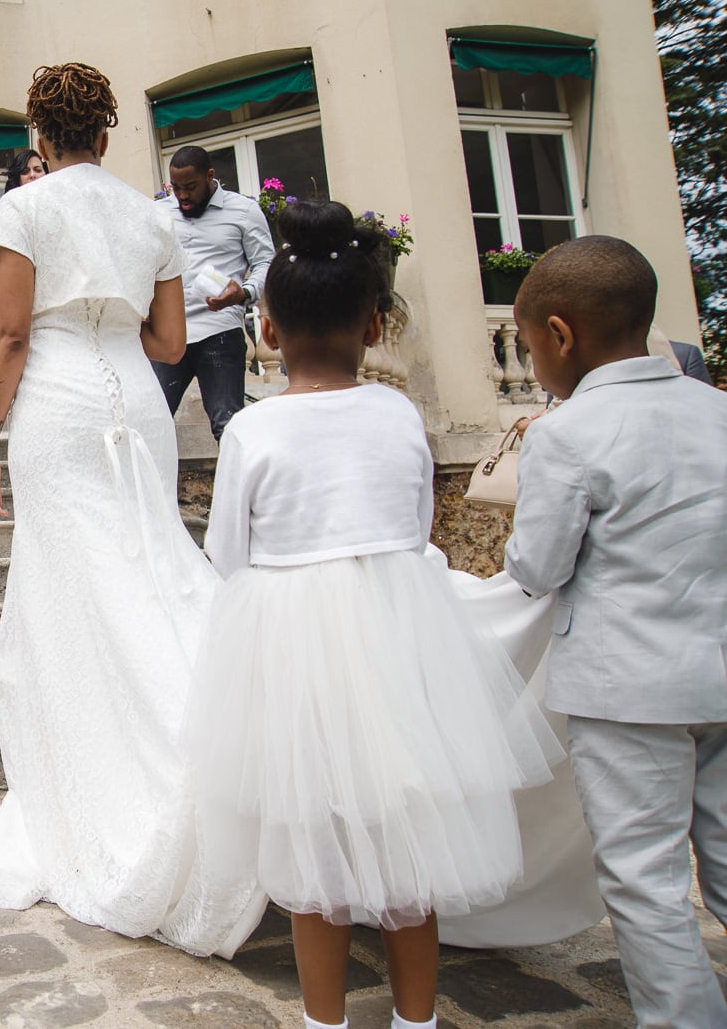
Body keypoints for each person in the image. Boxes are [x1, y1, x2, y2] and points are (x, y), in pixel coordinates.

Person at [191, 199, 561, 1029]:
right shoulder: (399, 415)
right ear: (373, 324)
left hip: (291, 643)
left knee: (310, 841)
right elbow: (412, 527)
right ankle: (417, 1020)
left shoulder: (253, 429)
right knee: (409, 836)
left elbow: (227, 555)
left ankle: (325, 1021)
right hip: (400, 635)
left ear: (267, 331)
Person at [0, 62, 268, 959]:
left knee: (75, 590)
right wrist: (109, 321)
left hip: (57, 404)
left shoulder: (26, 207)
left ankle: (141, 780)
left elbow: (12, 334)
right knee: (150, 563)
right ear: (106, 132)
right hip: (137, 402)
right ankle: (232, 739)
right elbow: (172, 341)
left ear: (38, 134)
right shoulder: (150, 214)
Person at [505, 236, 727, 1029]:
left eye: (530, 347)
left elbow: (539, 564)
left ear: (560, 335)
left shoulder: (568, 433)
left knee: (645, 878)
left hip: (629, 687)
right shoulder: (718, 408)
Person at [153, 145, 274, 440]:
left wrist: (244, 292)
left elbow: (266, 263)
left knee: (227, 425)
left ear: (210, 176)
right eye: (176, 187)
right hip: (169, 334)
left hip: (219, 331)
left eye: (191, 187)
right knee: (150, 424)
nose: (182, 195)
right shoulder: (156, 213)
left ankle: (238, 487)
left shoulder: (244, 211)